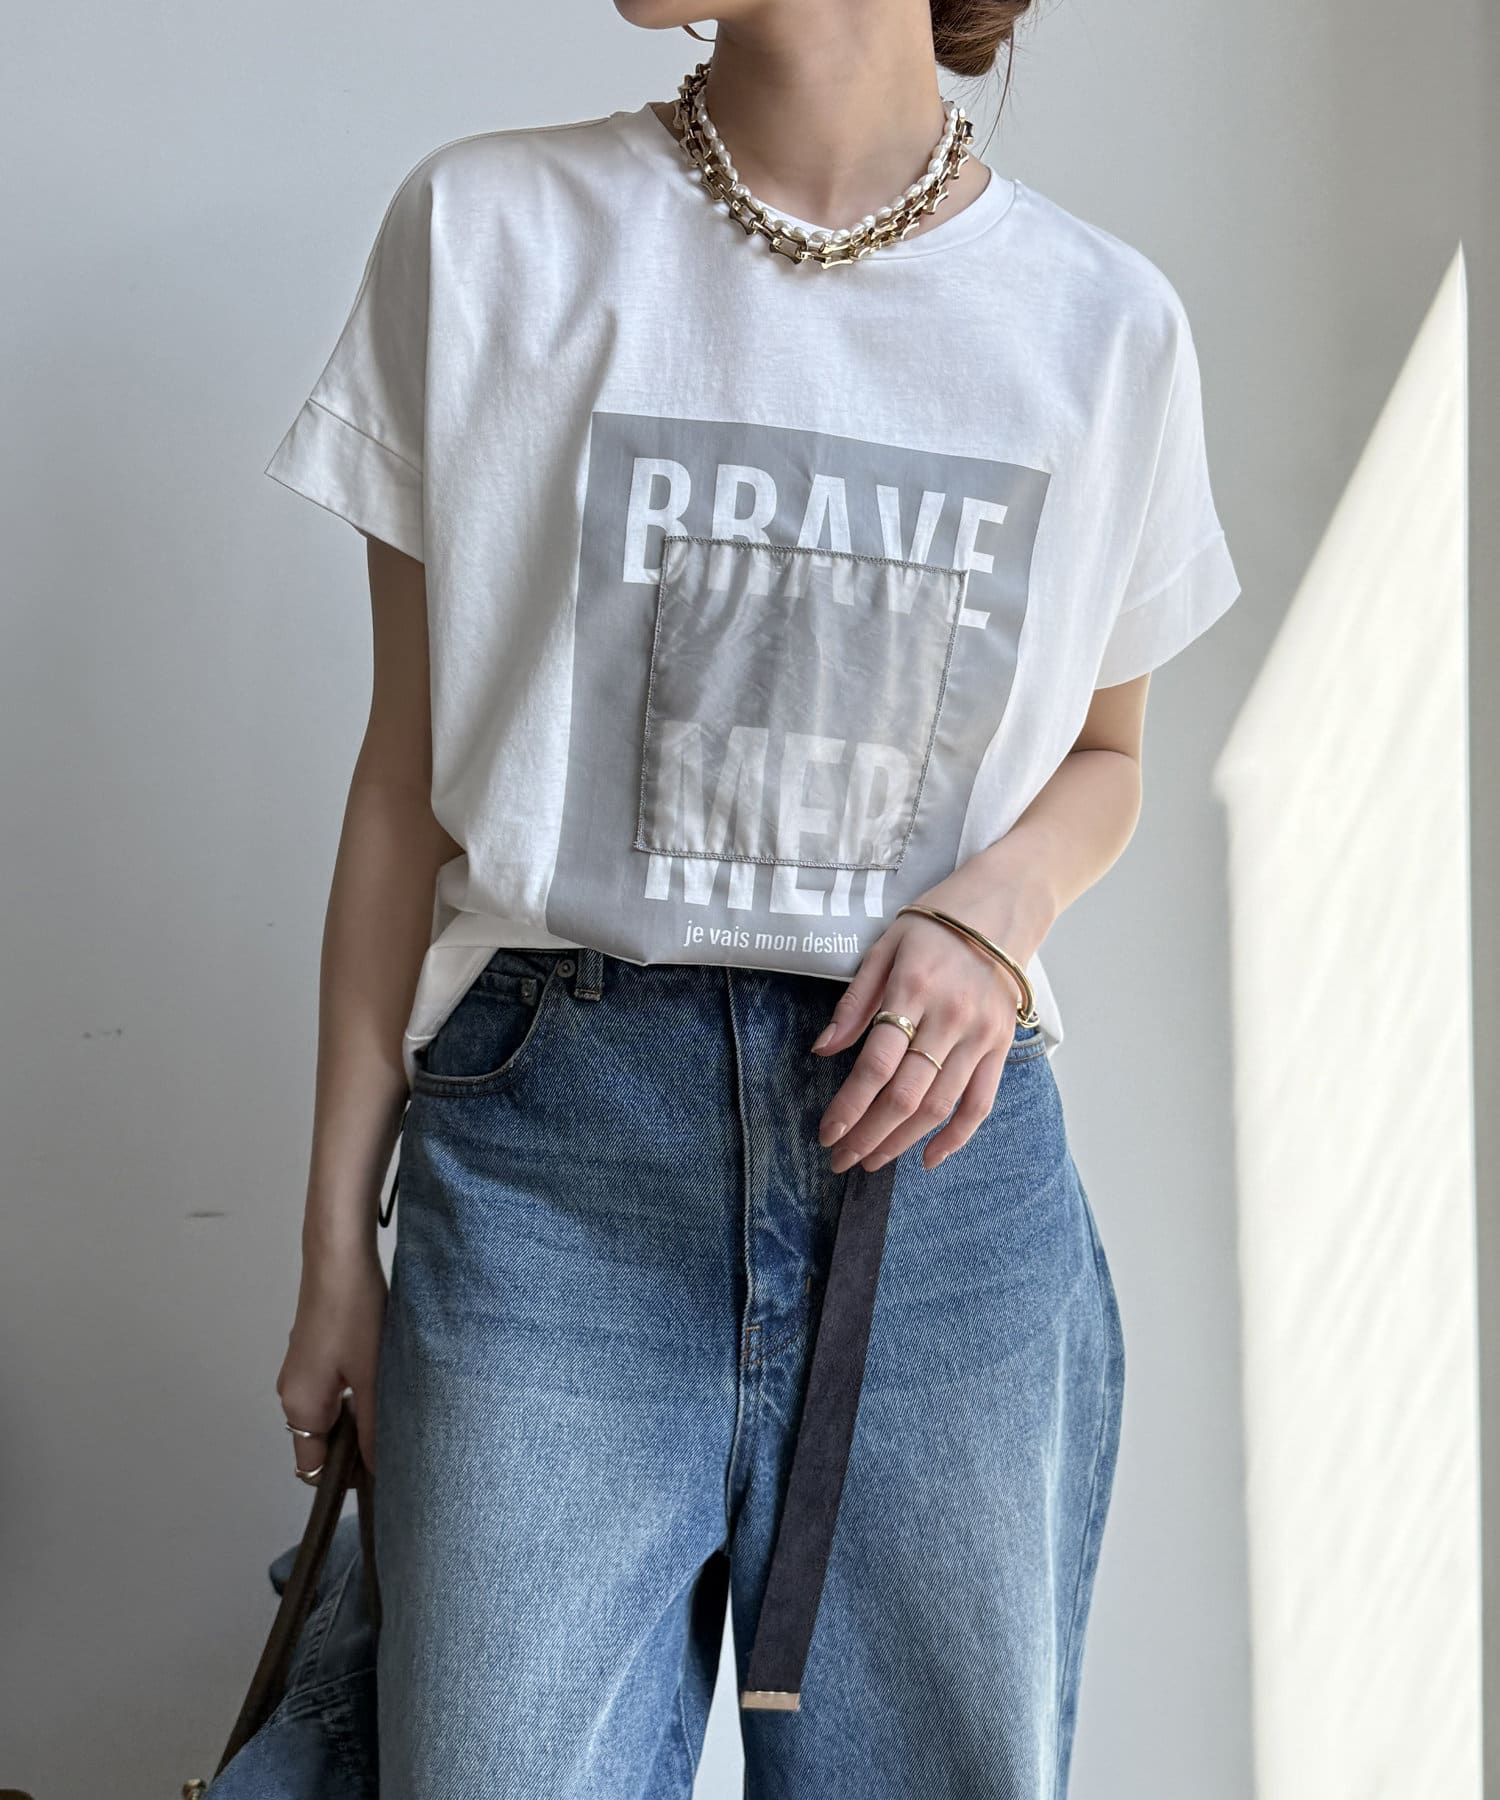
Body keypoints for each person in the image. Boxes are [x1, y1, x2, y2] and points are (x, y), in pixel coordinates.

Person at [262, 2, 1242, 1795]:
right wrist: (337, 1243)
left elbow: (1110, 758)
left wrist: (990, 916)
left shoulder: (1105, 323)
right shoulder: (489, 233)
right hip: (550, 1164)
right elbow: (405, 781)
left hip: (939, 1179)